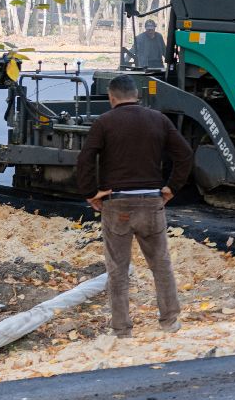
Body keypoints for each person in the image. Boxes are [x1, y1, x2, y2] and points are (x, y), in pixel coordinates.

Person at [74, 73, 193, 338]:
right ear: (137, 95)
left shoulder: (104, 122)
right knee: (160, 263)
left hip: (117, 204)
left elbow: (85, 159)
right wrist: (171, 187)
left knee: (117, 270)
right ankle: (170, 321)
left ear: (111, 97)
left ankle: (122, 330)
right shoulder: (159, 119)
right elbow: (184, 154)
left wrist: (91, 193)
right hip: (152, 203)